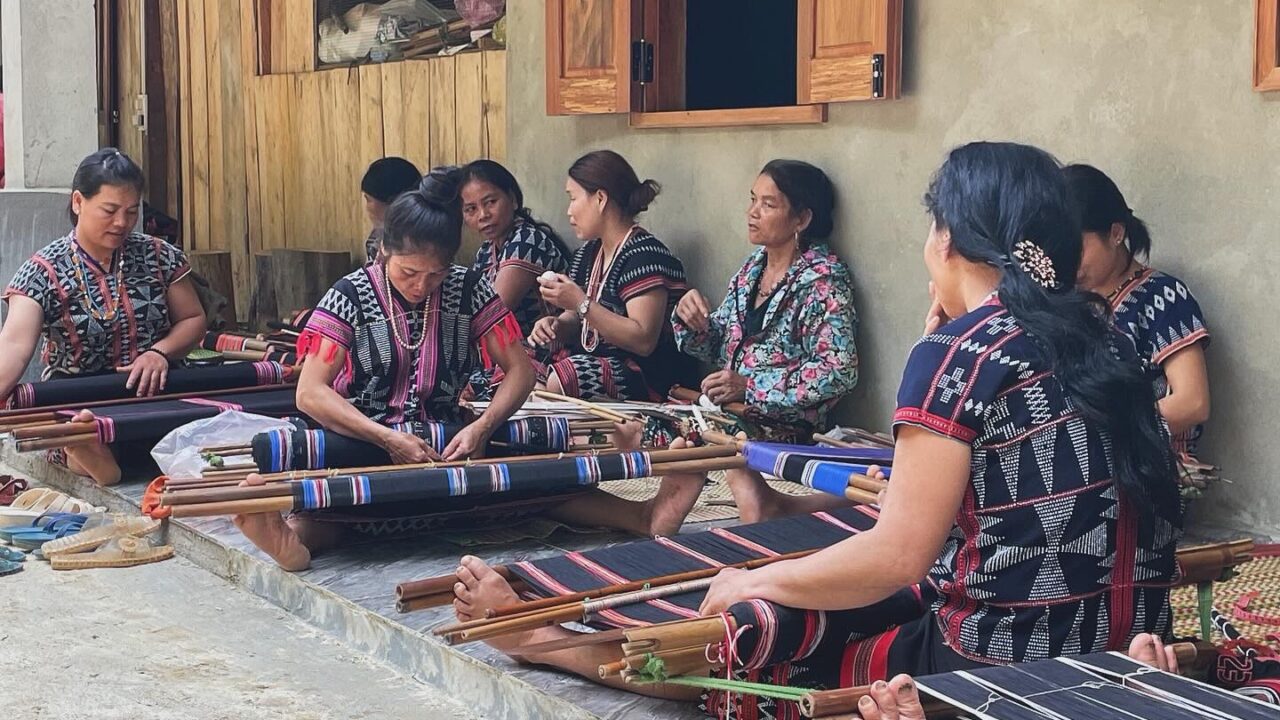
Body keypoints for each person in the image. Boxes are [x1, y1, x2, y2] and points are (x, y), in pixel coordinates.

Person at [450, 142, 1185, 715]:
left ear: (949, 238)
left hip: (999, 663)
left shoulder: (960, 353)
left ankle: (541, 641)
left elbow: (897, 555)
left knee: (759, 630)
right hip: (1126, 637)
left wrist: (750, 580)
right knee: (840, 580)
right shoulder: (1101, 335)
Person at [232, 167, 535, 571]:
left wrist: (482, 427)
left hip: (445, 446)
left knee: (536, 462)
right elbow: (310, 392)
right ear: (385, 251)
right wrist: (386, 438)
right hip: (364, 441)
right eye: (409, 272)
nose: (421, 286)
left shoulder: (470, 288)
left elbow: (521, 371)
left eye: (436, 274)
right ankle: (293, 541)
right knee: (342, 496)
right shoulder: (350, 295)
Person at [0, 148, 205, 485]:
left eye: (131, 211)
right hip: (80, 394)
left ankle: (102, 458)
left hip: (152, 389)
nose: (122, 223)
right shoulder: (43, 270)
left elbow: (193, 319)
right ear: (78, 202)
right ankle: (86, 450)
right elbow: (13, 347)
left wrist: (159, 352)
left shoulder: (159, 255)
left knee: (184, 434)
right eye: (109, 211)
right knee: (80, 424)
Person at [673, 159, 860, 521]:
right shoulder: (752, 268)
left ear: (802, 219)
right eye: (752, 200)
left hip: (786, 425)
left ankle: (755, 505)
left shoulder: (823, 280)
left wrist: (751, 386)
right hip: (733, 413)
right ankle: (670, 510)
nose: (752, 213)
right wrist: (691, 321)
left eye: (768, 204)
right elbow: (718, 342)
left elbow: (840, 370)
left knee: (699, 436)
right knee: (645, 424)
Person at [1066, 163, 1210, 459]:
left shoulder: (1163, 296)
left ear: (1116, 233)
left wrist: (1096, 436)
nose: (1067, 263)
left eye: (1076, 249)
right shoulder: (1060, 299)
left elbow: (1193, 402)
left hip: (1145, 476)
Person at [532, 150, 693, 400]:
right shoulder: (588, 252)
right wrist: (557, 326)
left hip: (641, 375)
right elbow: (578, 322)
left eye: (573, 198)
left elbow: (643, 340)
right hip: (591, 359)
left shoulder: (645, 255)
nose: (569, 211)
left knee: (565, 378)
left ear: (600, 199)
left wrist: (580, 303)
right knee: (519, 364)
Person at [459, 159, 572, 395]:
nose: (483, 215)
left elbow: (491, 313)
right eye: (471, 209)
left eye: (491, 202)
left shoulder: (527, 241)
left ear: (512, 198)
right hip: (514, 351)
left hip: (548, 351)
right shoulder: (486, 251)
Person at [361, 157, 422, 264]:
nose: (367, 208)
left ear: (393, 202)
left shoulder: (424, 240)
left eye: (369, 200)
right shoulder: (377, 236)